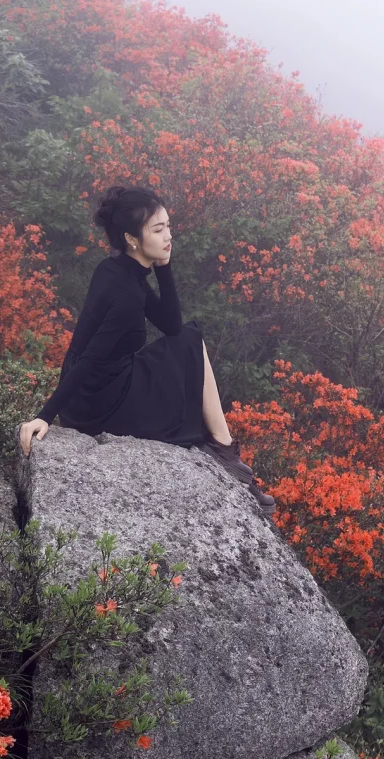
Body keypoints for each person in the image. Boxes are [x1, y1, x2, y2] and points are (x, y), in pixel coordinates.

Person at [18, 185, 275, 513]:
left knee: (186, 337)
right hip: (104, 401)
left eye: (168, 226)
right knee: (192, 340)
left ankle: (223, 450)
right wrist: (44, 416)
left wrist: (164, 267)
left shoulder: (117, 270)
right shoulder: (127, 294)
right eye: (158, 229)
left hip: (92, 393)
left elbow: (169, 324)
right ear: (131, 238)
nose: (168, 235)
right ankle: (225, 451)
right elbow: (91, 358)